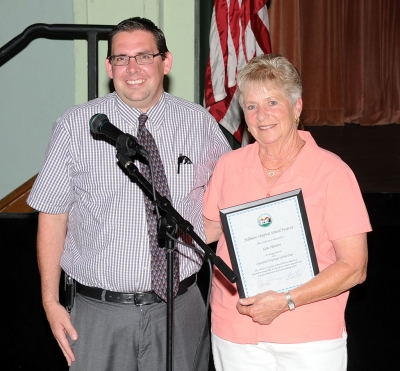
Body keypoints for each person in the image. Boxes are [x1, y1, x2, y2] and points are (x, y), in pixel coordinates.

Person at [27, 17, 231, 371]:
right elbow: (53, 213)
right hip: (98, 314)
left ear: (165, 62)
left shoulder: (198, 124)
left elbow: (234, 198)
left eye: (144, 56)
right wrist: (50, 300)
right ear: (109, 66)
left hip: (180, 309)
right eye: (121, 58)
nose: (132, 68)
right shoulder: (76, 126)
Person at [203, 54, 371, 371]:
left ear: (296, 108)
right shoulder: (229, 166)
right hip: (235, 331)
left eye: (272, 103)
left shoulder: (332, 172)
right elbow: (207, 231)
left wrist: (286, 300)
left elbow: (354, 267)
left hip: (309, 336)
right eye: (251, 106)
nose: (261, 115)